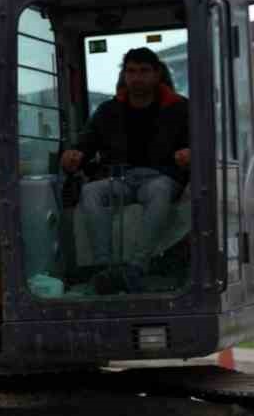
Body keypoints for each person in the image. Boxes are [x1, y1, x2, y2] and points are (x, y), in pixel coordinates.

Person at [60, 47, 190, 285]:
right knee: (91, 191)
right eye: (131, 71)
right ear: (124, 75)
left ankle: (137, 265)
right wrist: (74, 155)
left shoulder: (180, 109)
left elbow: (198, 143)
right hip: (121, 179)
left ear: (157, 74)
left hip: (160, 177)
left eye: (143, 71)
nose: (137, 77)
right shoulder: (108, 111)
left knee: (160, 190)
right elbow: (86, 142)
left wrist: (190, 153)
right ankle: (104, 266)